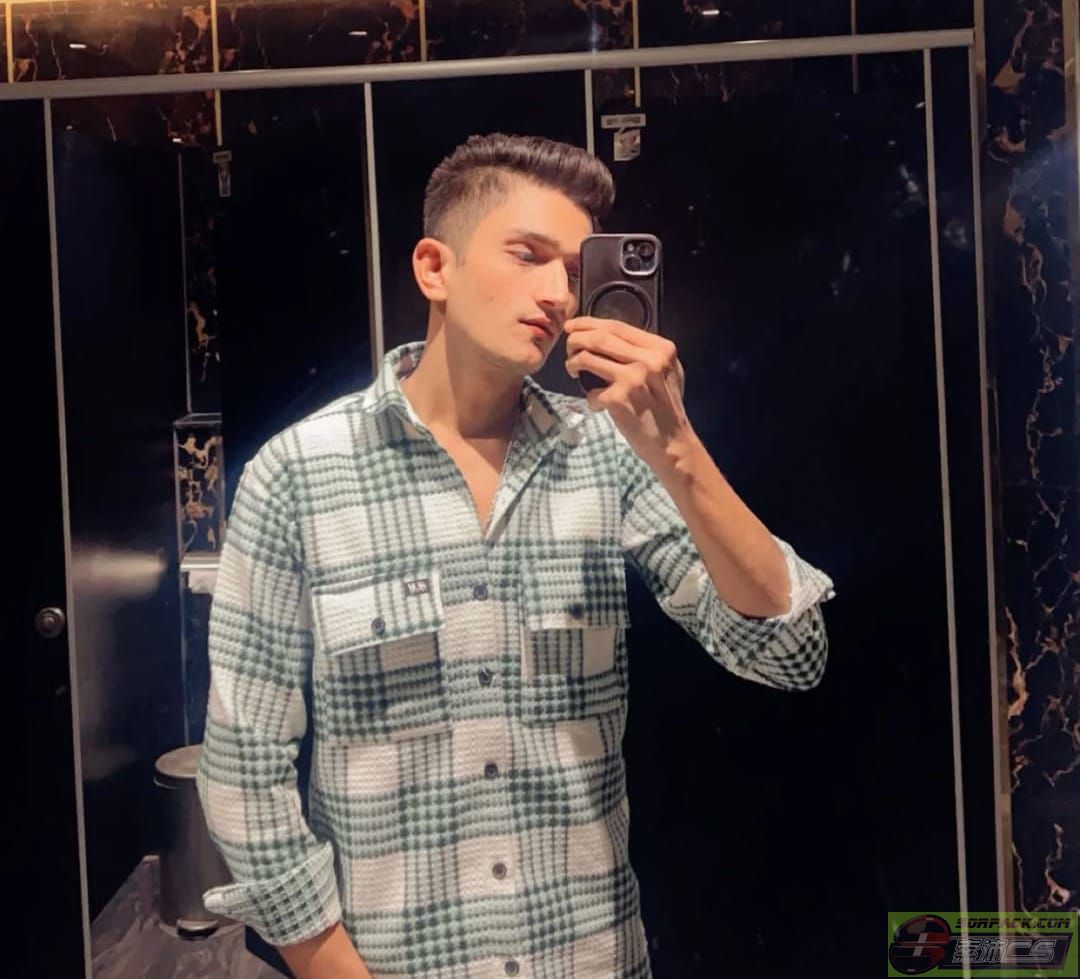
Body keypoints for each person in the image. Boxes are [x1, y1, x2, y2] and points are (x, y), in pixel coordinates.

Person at [196, 132, 837, 979]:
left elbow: (788, 653)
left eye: (573, 271)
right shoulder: (298, 475)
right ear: (435, 267)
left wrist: (677, 447)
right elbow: (244, 768)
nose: (556, 294)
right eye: (528, 255)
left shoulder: (607, 454)